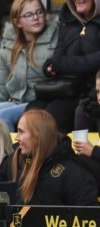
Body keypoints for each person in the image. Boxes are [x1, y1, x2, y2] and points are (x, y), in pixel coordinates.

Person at [0, 0, 57, 132]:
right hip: (17, 102)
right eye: (29, 15)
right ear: (17, 22)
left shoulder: (56, 38)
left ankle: (12, 151)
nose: (35, 17)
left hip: (42, 103)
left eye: (39, 12)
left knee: (3, 116)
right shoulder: (8, 44)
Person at [27, 0, 100, 133]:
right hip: (66, 88)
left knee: (52, 116)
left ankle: (57, 152)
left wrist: (62, 64)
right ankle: (30, 154)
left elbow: (95, 61)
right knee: (31, 112)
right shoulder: (68, 15)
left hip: (90, 92)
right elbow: (58, 54)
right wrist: (49, 66)